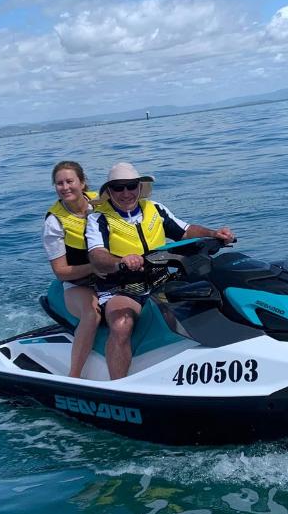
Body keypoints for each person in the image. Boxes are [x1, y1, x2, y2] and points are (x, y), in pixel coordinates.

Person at [86, 162, 235, 381]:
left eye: (130, 186)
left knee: (212, 296)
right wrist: (121, 261)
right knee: (121, 324)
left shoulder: (154, 209)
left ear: (139, 187)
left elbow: (185, 231)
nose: (125, 192)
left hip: (161, 280)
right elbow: (97, 255)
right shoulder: (99, 219)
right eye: (118, 187)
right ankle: (121, 386)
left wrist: (214, 234)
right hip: (122, 288)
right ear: (109, 191)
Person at [42, 160, 101, 379]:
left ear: (83, 182)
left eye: (70, 181)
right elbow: (61, 272)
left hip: (113, 274)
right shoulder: (54, 222)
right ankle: (74, 375)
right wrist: (95, 267)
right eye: (59, 183)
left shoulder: (102, 202)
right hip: (78, 283)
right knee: (92, 314)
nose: (65, 187)